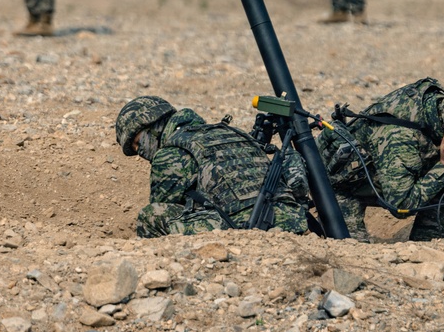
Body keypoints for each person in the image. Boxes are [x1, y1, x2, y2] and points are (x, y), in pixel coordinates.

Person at [315, 79, 444, 242]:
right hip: (343, 188)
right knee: (352, 248)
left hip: (384, 177)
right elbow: (400, 207)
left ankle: (427, 243)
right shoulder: (399, 138)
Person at [115, 95, 309, 237]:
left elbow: (164, 206)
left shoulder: (170, 154)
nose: (139, 152)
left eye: (138, 143)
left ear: (152, 125)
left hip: (246, 226)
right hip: (293, 219)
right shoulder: (231, 132)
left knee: (151, 216)